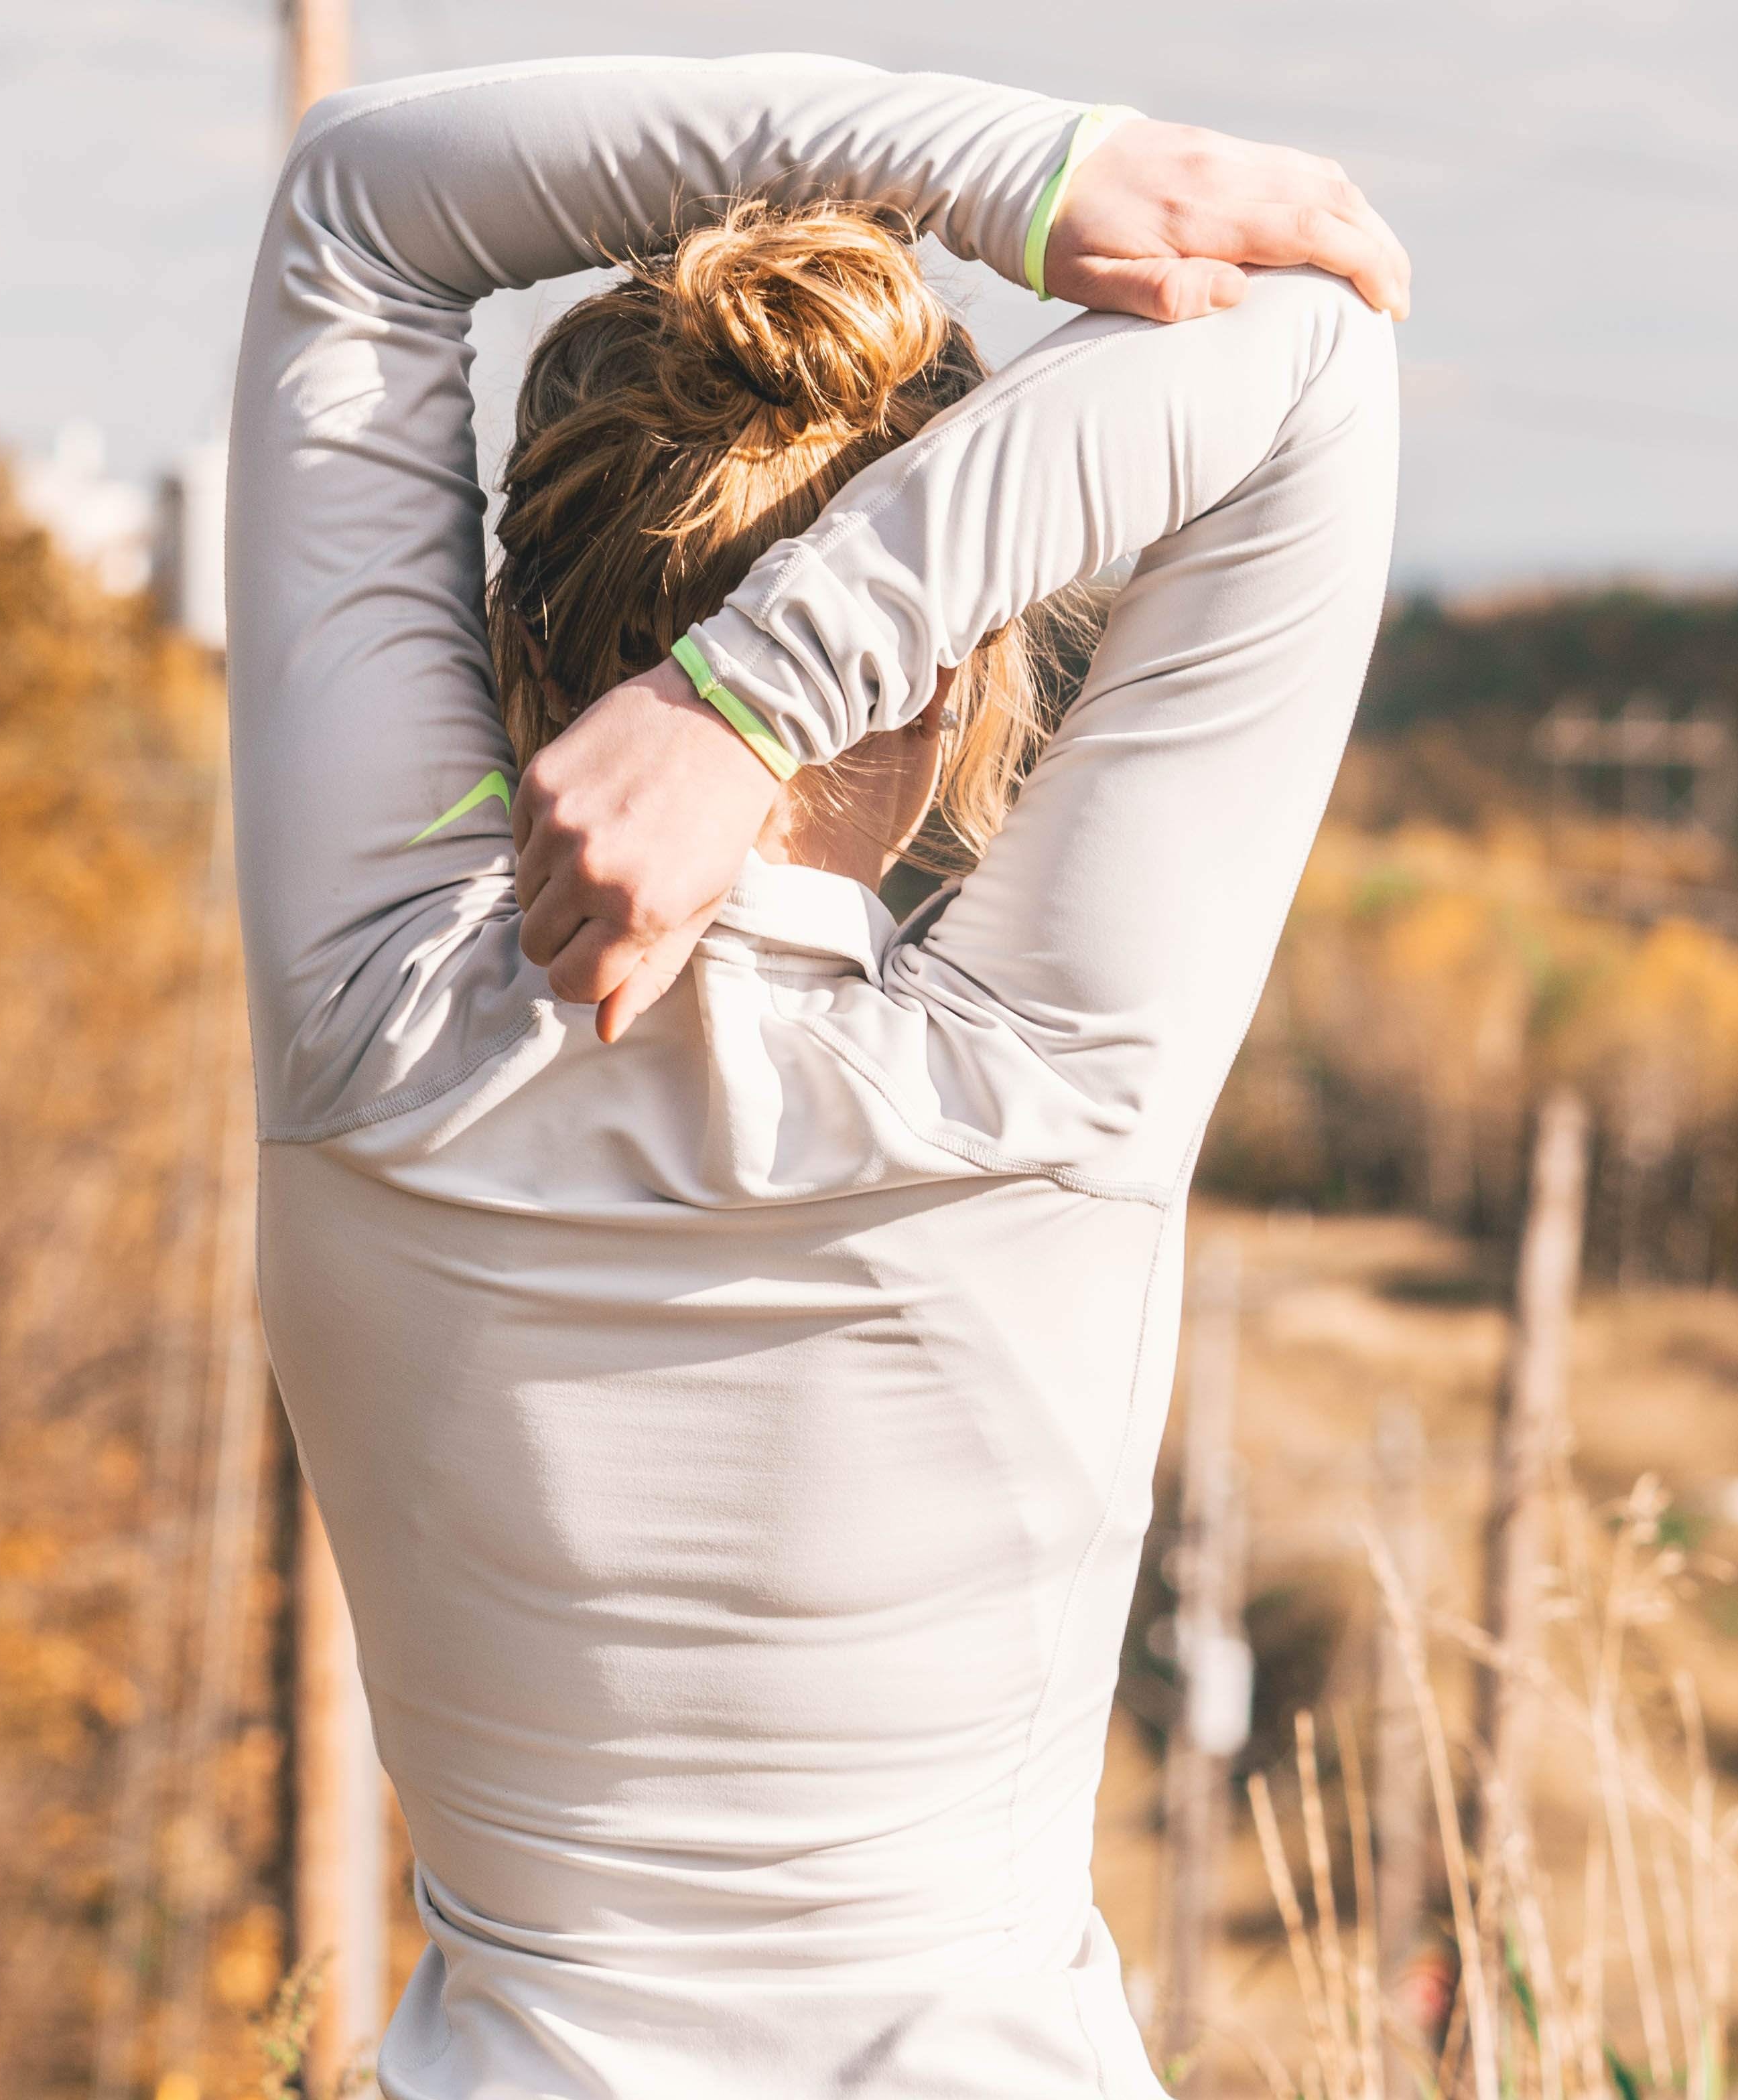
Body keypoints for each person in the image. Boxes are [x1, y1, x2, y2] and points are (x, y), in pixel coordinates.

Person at [225, 54, 1406, 2098]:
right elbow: (1311, 357)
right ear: (953, 657)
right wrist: (757, 695)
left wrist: (1029, 178)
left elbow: (360, 204)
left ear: (512, 610)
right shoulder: (1040, 1094)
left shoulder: (371, 1027)